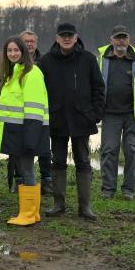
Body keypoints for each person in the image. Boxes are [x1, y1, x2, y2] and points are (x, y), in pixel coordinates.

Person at [38, 23, 104, 220]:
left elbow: (99, 88)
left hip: (82, 119)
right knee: (57, 162)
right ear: (57, 38)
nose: (66, 39)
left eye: (70, 36)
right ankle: (59, 204)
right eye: (63, 36)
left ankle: (85, 207)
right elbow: (38, 90)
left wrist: (95, 114)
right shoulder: (46, 61)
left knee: (83, 161)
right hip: (56, 119)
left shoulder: (88, 59)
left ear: (76, 37)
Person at [97, 25, 135, 200]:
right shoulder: (101, 59)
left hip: (134, 115)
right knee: (109, 151)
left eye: (124, 37)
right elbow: (94, 85)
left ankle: (128, 190)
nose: (121, 40)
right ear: (111, 40)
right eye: (118, 37)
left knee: (132, 152)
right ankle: (108, 189)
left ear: (129, 40)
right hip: (109, 114)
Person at [0, 37, 50, 226]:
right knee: (24, 170)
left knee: (27, 171)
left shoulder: (31, 73)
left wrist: (30, 138)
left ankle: (28, 213)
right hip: (15, 132)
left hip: (26, 132)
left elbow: (34, 109)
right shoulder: (11, 73)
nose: (12, 54)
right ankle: (31, 213)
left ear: (24, 52)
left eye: (16, 50)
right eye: (9, 51)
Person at [9, 29, 53, 196]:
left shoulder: (44, 62)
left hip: (38, 113)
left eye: (32, 41)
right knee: (16, 153)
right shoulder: (13, 63)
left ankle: (46, 179)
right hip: (18, 116)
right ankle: (18, 180)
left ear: (36, 43)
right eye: (25, 41)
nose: (29, 44)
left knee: (43, 149)